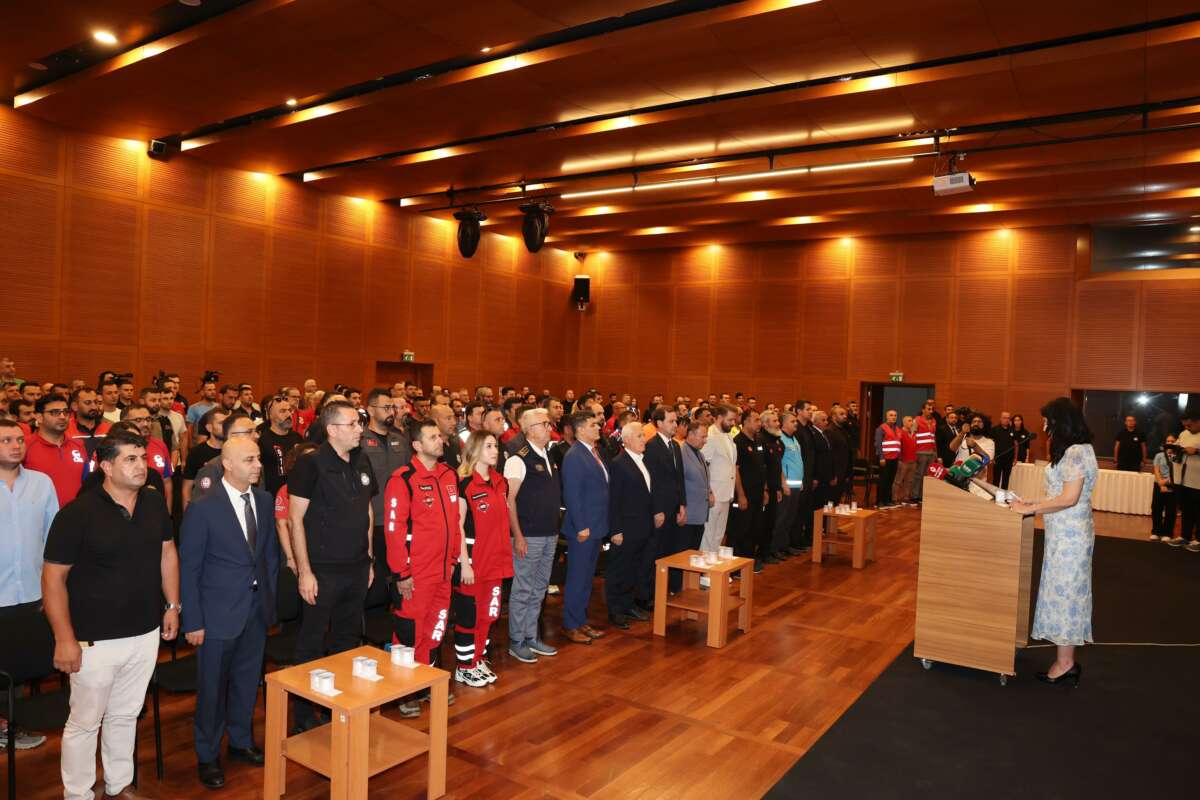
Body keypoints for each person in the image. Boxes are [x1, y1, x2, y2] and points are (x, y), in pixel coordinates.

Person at [42, 428, 180, 800]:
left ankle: (118, 786)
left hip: (145, 631)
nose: (141, 465)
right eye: (130, 459)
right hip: (93, 638)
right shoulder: (77, 513)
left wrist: (172, 605)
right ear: (106, 466)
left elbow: (167, 552)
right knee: (85, 722)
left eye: (143, 457)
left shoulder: (153, 502)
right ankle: (78, 794)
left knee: (125, 714)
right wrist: (64, 638)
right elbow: (53, 579)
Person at [180, 437, 279, 789]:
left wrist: (268, 604)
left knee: (247, 682)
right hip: (216, 616)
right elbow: (189, 569)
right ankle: (207, 755)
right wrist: (193, 620)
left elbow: (269, 557)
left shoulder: (264, 501)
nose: (258, 465)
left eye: (258, 458)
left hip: (254, 611)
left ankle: (240, 741)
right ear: (228, 464)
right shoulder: (203, 508)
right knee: (212, 690)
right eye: (250, 460)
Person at [287, 401, 377, 732]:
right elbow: (294, 520)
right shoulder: (310, 464)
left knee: (346, 642)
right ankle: (303, 716)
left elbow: (367, 511)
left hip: (356, 567)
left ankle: (336, 710)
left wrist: (369, 559)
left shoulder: (362, 459)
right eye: (352, 424)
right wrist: (305, 572)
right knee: (311, 643)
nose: (359, 429)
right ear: (332, 430)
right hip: (322, 570)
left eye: (359, 423)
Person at [1010, 398, 1097, 686]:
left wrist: (1031, 508)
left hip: (1071, 536)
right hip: (1063, 533)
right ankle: (1065, 660)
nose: (1045, 427)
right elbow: (1060, 493)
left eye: (1048, 422)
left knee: (1066, 595)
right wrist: (1030, 502)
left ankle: (1066, 663)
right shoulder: (1076, 449)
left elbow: (1069, 498)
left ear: (1061, 423)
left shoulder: (1076, 452)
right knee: (1063, 593)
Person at [384, 419, 459, 716]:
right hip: (416, 574)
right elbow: (394, 530)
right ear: (416, 445)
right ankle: (404, 691)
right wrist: (401, 572)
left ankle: (425, 682)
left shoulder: (449, 475)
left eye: (439, 436)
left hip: (444, 571)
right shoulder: (402, 479)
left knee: (435, 631)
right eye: (432, 437)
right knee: (408, 634)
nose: (440, 440)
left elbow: (454, 522)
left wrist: (453, 559)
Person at [0, 418, 57, 751]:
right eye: (6, 440)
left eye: (19, 439)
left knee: (16, 665)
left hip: (31, 592)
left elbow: (53, 537)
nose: (15, 445)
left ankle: (11, 725)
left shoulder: (41, 483)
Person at [450, 432, 512, 687]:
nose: (495, 450)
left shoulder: (501, 481)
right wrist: (464, 563)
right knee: (470, 616)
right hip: (474, 565)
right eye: (488, 446)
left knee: (489, 614)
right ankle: (464, 666)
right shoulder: (464, 484)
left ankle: (477, 658)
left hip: (497, 563)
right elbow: (458, 527)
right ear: (475, 449)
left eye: (495, 445)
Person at [503, 408, 561, 663]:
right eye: (543, 424)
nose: (549, 427)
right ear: (529, 430)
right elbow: (509, 500)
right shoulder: (518, 459)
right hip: (529, 535)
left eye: (549, 423)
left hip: (549, 533)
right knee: (523, 589)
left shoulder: (548, 454)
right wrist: (518, 535)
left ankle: (530, 636)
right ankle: (516, 641)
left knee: (539, 589)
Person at [560, 409, 609, 644]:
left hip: (595, 525)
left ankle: (581, 620)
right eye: (593, 425)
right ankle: (571, 625)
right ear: (580, 429)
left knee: (587, 578)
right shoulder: (574, 455)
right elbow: (572, 495)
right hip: (583, 528)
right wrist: (581, 526)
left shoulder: (592, 452)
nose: (598, 427)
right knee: (577, 578)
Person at [605, 421, 656, 630]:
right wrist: (615, 530)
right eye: (639, 436)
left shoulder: (642, 460)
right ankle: (616, 610)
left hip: (642, 525)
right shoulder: (619, 463)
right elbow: (614, 499)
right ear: (626, 440)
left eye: (644, 435)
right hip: (625, 528)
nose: (644, 439)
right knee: (620, 569)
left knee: (635, 568)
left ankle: (628, 604)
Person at [361, 388, 412, 587]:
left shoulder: (400, 440)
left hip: (400, 519)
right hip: (373, 522)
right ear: (371, 410)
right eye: (386, 407)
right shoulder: (360, 441)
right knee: (376, 581)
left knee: (400, 578)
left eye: (393, 407)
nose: (391, 412)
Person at [644, 407, 685, 599]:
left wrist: (682, 504)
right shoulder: (651, 446)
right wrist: (656, 510)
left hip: (674, 507)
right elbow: (651, 482)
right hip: (660, 509)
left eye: (676, 421)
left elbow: (679, 478)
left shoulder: (675, 445)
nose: (675, 425)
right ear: (659, 423)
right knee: (655, 552)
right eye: (671, 421)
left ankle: (664, 589)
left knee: (670, 549)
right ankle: (650, 594)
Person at [23, 395, 88, 508]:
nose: (62, 417)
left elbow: (86, 483)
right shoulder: (24, 446)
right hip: (38, 515)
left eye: (65, 412)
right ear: (39, 417)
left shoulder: (79, 445)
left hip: (76, 514)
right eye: (55, 412)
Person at [731, 409, 769, 571]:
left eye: (760, 420)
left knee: (755, 527)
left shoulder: (759, 440)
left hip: (758, 493)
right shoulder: (738, 442)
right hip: (744, 494)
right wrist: (741, 495)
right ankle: (737, 566)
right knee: (741, 529)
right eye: (756, 420)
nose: (759, 423)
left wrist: (765, 490)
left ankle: (749, 560)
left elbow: (762, 467)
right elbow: (735, 470)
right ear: (745, 421)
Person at [274, 442, 319, 573]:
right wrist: (290, 557)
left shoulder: (326, 486)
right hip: (298, 549)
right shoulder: (286, 490)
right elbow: (281, 525)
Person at [700, 405, 738, 554]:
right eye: (730, 420)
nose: (733, 423)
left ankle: (713, 563)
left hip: (726, 493)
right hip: (714, 494)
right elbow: (703, 466)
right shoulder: (710, 436)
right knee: (708, 534)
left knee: (719, 534)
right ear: (720, 417)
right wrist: (709, 492)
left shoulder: (728, 436)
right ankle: (705, 565)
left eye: (734, 420)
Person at [679, 420, 713, 555]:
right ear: (691, 434)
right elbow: (678, 484)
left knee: (693, 553)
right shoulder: (681, 452)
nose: (705, 441)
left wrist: (710, 492)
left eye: (706, 437)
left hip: (699, 514)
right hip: (688, 515)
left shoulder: (700, 454)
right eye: (702, 437)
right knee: (683, 555)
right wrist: (680, 508)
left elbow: (704, 479)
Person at [258, 395, 302, 497]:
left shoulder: (297, 438)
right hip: (273, 496)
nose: (288, 414)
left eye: (289, 410)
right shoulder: (262, 440)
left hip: (296, 492)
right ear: (270, 415)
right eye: (282, 411)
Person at [1170, 410, 1200, 551]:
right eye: (1184, 426)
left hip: (1198, 482)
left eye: (1189, 425)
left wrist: (1196, 451)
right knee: (1186, 510)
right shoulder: (1183, 434)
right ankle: (1185, 536)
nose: (1187, 428)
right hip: (1183, 480)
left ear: (1198, 421)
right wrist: (1172, 449)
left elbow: (1194, 451)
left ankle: (1198, 540)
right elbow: (1177, 446)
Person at [1151, 435, 1178, 542]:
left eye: (1172, 441)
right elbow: (1156, 470)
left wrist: (1167, 482)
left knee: (1170, 510)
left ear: (1176, 443)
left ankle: (1167, 533)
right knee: (1156, 509)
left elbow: (1178, 472)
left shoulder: (1179, 456)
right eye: (1168, 441)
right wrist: (1161, 484)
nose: (1170, 443)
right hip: (1159, 485)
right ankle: (1156, 532)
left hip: (1173, 485)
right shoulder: (1159, 455)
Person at [875, 409, 901, 508]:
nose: (893, 417)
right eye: (891, 415)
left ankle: (887, 500)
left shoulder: (897, 429)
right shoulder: (881, 428)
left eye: (895, 415)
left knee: (890, 481)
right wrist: (881, 457)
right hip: (885, 459)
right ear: (886, 416)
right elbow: (878, 444)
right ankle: (880, 501)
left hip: (895, 459)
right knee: (883, 480)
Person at [913, 400, 938, 501]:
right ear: (923, 410)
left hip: (931, 452)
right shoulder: (917, 420)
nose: (931, 411)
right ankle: (915, 496)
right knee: (919, 475)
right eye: (928, 409)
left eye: (932, 409)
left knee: (928, 476)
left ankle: (924, 496)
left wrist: (935, 452)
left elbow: (933, 437)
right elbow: (912, 436)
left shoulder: (934, 421)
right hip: (920, 452)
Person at [892, 415, 918, 506]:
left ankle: (906, 498)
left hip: (913, 461)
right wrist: (899, 458)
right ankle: (894, 498)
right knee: (898, 481)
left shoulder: (914, 433)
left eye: (912, 421)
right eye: (909, 421)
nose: (912, 423)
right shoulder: (900, 432)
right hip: (903, 461)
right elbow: (897, 446)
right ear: (904, 423)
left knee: (909, 481)